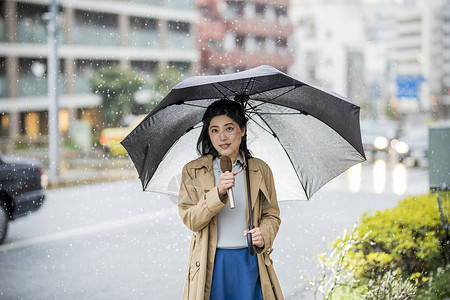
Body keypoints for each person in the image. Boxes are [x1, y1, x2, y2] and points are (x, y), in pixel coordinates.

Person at [178, 99, 283, 300]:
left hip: (251, 261)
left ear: (242, 130)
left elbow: (272, 215)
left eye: (229, 128)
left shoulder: (260, 169)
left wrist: (264, 233)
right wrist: (217, 193)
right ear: (208, 134)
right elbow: (191, 219)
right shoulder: (193, 171)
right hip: (212, 263)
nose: (222, 137)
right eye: (215, 130)